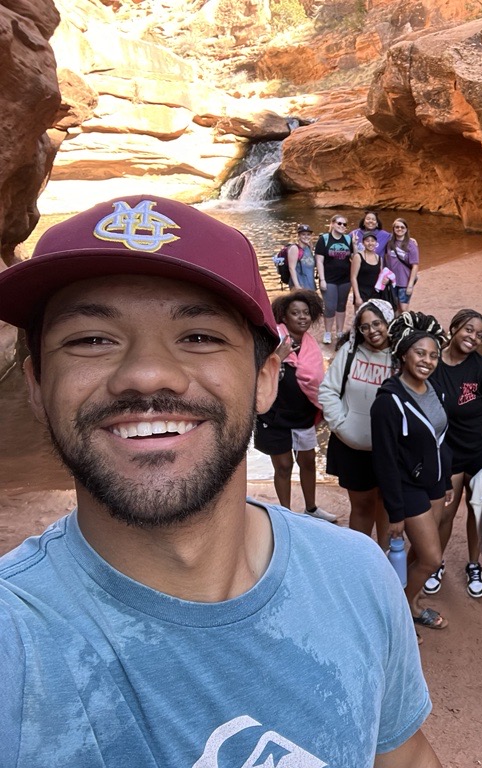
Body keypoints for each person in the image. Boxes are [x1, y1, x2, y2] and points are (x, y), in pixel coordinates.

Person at [0, 196, 439, 766]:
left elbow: (403, 756)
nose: (146, 373)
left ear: (264, 378)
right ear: (35, 385)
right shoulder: (16, 641)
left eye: (200, 337)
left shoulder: (358, 576)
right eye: (91, 339)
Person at [371, 312, 454, 631]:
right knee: (432, 559)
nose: (428, 361)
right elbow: (385, 461)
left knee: (422, 554)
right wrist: (395, 513)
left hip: (433, 484)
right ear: (403, 353)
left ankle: (410, 602)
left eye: (434, 355)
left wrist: (445, 479)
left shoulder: (431, 389)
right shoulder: (388, 402)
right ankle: (400, 613)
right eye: (420, 353)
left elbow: (439, 438)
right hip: (408, 488)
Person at [427, 309, 482, 598]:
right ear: (454, 327)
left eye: (480, 334)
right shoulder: (432, 362)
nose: (473, 337)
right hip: (445, 454)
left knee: (476, 511)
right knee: (444, 513)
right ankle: (435, 562)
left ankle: (474, 564)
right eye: (468, 330)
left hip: (478, 452)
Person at [254, 289, 335, 522]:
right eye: (295, 313)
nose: (302, 317)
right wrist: (278, 356)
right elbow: (258, 375)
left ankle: (311, 509)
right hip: (273, 416)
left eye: (306, 313)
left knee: (307, 461)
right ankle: (287, 515)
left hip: (302, 415)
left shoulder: (310, 346)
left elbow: (317, 384)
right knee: (284, 465)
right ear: (284, 317)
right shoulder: (272, 340)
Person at [321, 299, 396, 548]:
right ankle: (362, 557)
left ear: (388, 322)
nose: (372, 331)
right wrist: (342, 425)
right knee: (362, 506)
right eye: (365, 327)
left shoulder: (401, 356)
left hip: (391, 450)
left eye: (377, 323)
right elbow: (328, 391)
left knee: (388, 505)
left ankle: (385, 557)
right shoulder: (349, 352)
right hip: (352, 448)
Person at [314, 213, 355, 345]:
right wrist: (322, 279)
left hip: (345, 279)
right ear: (332, 224)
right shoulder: (324, 239)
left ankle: (339, 331)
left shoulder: (348, 239)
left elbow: (354, 258)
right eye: (339, 223)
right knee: (330, 306)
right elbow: (319, 261)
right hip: (329, 279)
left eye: (344, 224)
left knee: (341, 305)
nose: (342, 226)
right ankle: (327, 332)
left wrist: (356, 245)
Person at [384, 217, 420, 310]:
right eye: (397, 227)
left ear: (406, 229)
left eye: (402, 227)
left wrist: (410, 285)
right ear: (393, 229)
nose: (399, 229)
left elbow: (415, 265)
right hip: (392, 281)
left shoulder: (411, 244)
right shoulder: (389, 243)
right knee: (395, 308)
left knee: (404, 309)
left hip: (405, 281)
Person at [351, 232, 386, 307]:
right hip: (362, 292)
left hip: (376, 293)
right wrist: (357, 297)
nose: (370, 243)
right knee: (361, 317)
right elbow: (353, 277)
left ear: (376, 243)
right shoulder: (358, 256)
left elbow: (381, 276)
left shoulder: (379, 258)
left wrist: (386, 280)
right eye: (367, 241)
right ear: (363, 243)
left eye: (372, 241)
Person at [286, 223, 317, 291]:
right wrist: (297, 286)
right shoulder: (294, 248)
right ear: (299, 236)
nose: (306, 236)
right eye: (303, 234)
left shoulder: (309, 248)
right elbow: (291, 268)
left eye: (308, 234)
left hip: (310, 286)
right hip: (300, 287)